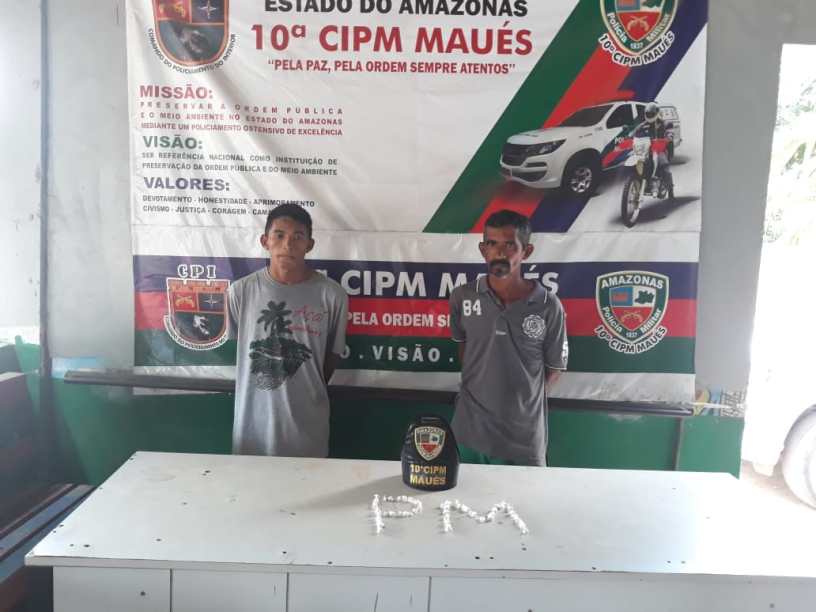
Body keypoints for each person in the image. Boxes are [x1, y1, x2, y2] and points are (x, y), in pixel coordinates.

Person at [448, 209, 568, 466]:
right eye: (492, 244)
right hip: (470, 432)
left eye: (510, 245)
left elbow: (554, 368)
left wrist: (520, 403)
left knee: (526, 493)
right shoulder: (462, 297)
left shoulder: (548, 305)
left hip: (523, 438)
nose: (500, 252)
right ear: (483, 250)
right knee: (464, 493)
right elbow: (465, 351)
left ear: (527, 251)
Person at [228, 204, 348, 457]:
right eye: (279, 235)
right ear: (265, 241)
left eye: (298, 237)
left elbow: (331, 357)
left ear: (310, 245)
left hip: (308, 430)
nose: (288, 245)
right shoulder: (240, 292)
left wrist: (301, 382)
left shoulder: (332, 295)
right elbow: (240, 349)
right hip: (252, 431)